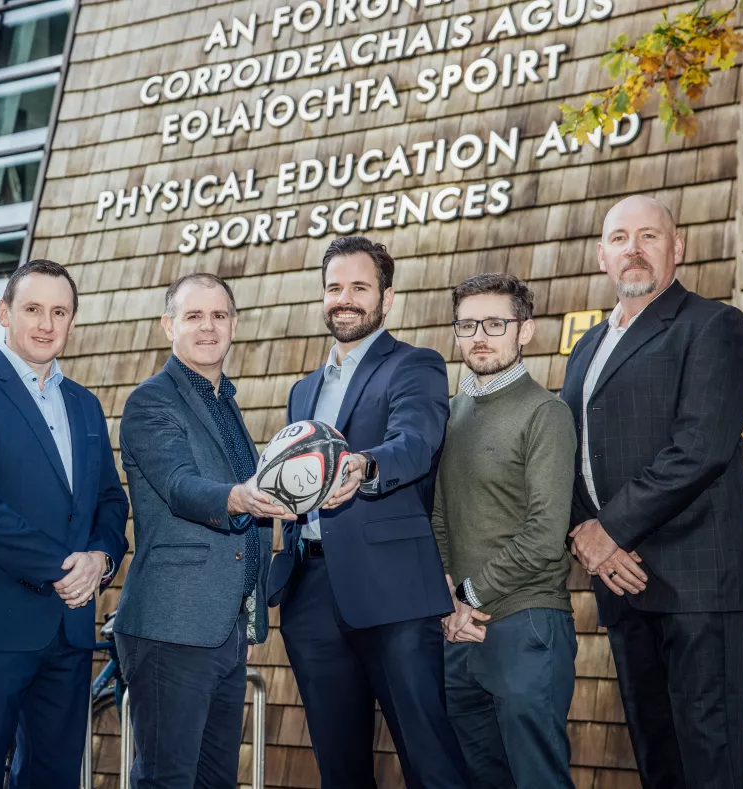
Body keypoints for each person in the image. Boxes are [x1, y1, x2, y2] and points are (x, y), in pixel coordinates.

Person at [560, 195, 743, 788]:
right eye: (620, 238)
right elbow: (568, 455)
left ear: (678, 249)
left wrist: (607, 530)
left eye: (649, 236)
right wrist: (585, 537)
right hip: (620, 578)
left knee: (708, 759)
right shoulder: (586, 349)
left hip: (695, 578)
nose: (634, 249)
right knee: (656, 758)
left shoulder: (714, 326)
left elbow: (700, 447)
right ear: (602, 256)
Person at [268, 236, 469, 789]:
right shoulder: (302, 391)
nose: (345, 299)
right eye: (334, 288)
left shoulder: (415, 366)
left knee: (429, 756)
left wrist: (364, 465)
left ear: (387, 298)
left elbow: (417, 441)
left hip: (394, 588)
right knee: (339, 763)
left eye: (359, 286)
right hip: (309, 590)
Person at [0, 259, 129, 789]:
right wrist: (65, 567)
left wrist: (101, 559)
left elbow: (110, 500)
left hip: (69, 633)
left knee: (54, 777)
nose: (46, 323)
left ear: (71, 322)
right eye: (33, 309)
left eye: (59, 312)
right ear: (4, 312)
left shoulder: (85, 405)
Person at [114, 273, 279, 789]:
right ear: (169, 325)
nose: (208, 327)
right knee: (167, 781)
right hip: (171, 627)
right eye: (194, 316)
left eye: (219, 316)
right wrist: (241, 497)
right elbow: (181, 487)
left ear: (233, 324)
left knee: (214, 782)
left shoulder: (223, 401)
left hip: (224, 630)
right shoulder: (151, 402)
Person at [434, 273, 578, 788]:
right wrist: (449, 598)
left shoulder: (546, 413)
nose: (480, 335)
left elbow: (544, 534)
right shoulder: (451, 414)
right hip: (459, 629)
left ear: (525, 331)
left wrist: (469, 593)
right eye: (467, 324)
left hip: (526, 623)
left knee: (537, 778)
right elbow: (440, 516)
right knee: (479, 777)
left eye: (495, 323)